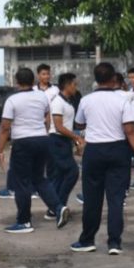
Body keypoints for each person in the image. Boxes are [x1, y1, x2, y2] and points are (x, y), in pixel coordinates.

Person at [70, 62, 134, 255]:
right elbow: (130, 130)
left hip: (94, 151)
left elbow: (78, 123)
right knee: (116, 199)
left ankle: (87, 240)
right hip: (118, 150)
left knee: (92, 199)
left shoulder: (86, 100)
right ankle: (114, 243)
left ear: (96, 79)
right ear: (114, 79)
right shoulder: (122, 101)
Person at [0, 68, 70, 234]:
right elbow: (46, 118)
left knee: (21, 182)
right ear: (33, 79)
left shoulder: (12, 100)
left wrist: (0, 149)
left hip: (23, 141)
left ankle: (24, 221)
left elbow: (5, 127)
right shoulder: (41, 96)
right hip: (42, 139)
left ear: (16, 81)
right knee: (39, 179)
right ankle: (58, 208)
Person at [45, 73, 82, 217]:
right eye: (74, 84)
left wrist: (73, 141)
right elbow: (59, 126)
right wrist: (76, 137)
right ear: (67, 85)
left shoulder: (68, 102)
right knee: (72, 173)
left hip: (64, 141)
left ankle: (56, 209)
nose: (76, 87)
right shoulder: (57, 102)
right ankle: (58, 207)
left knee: (60, 176)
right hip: (57, 140)